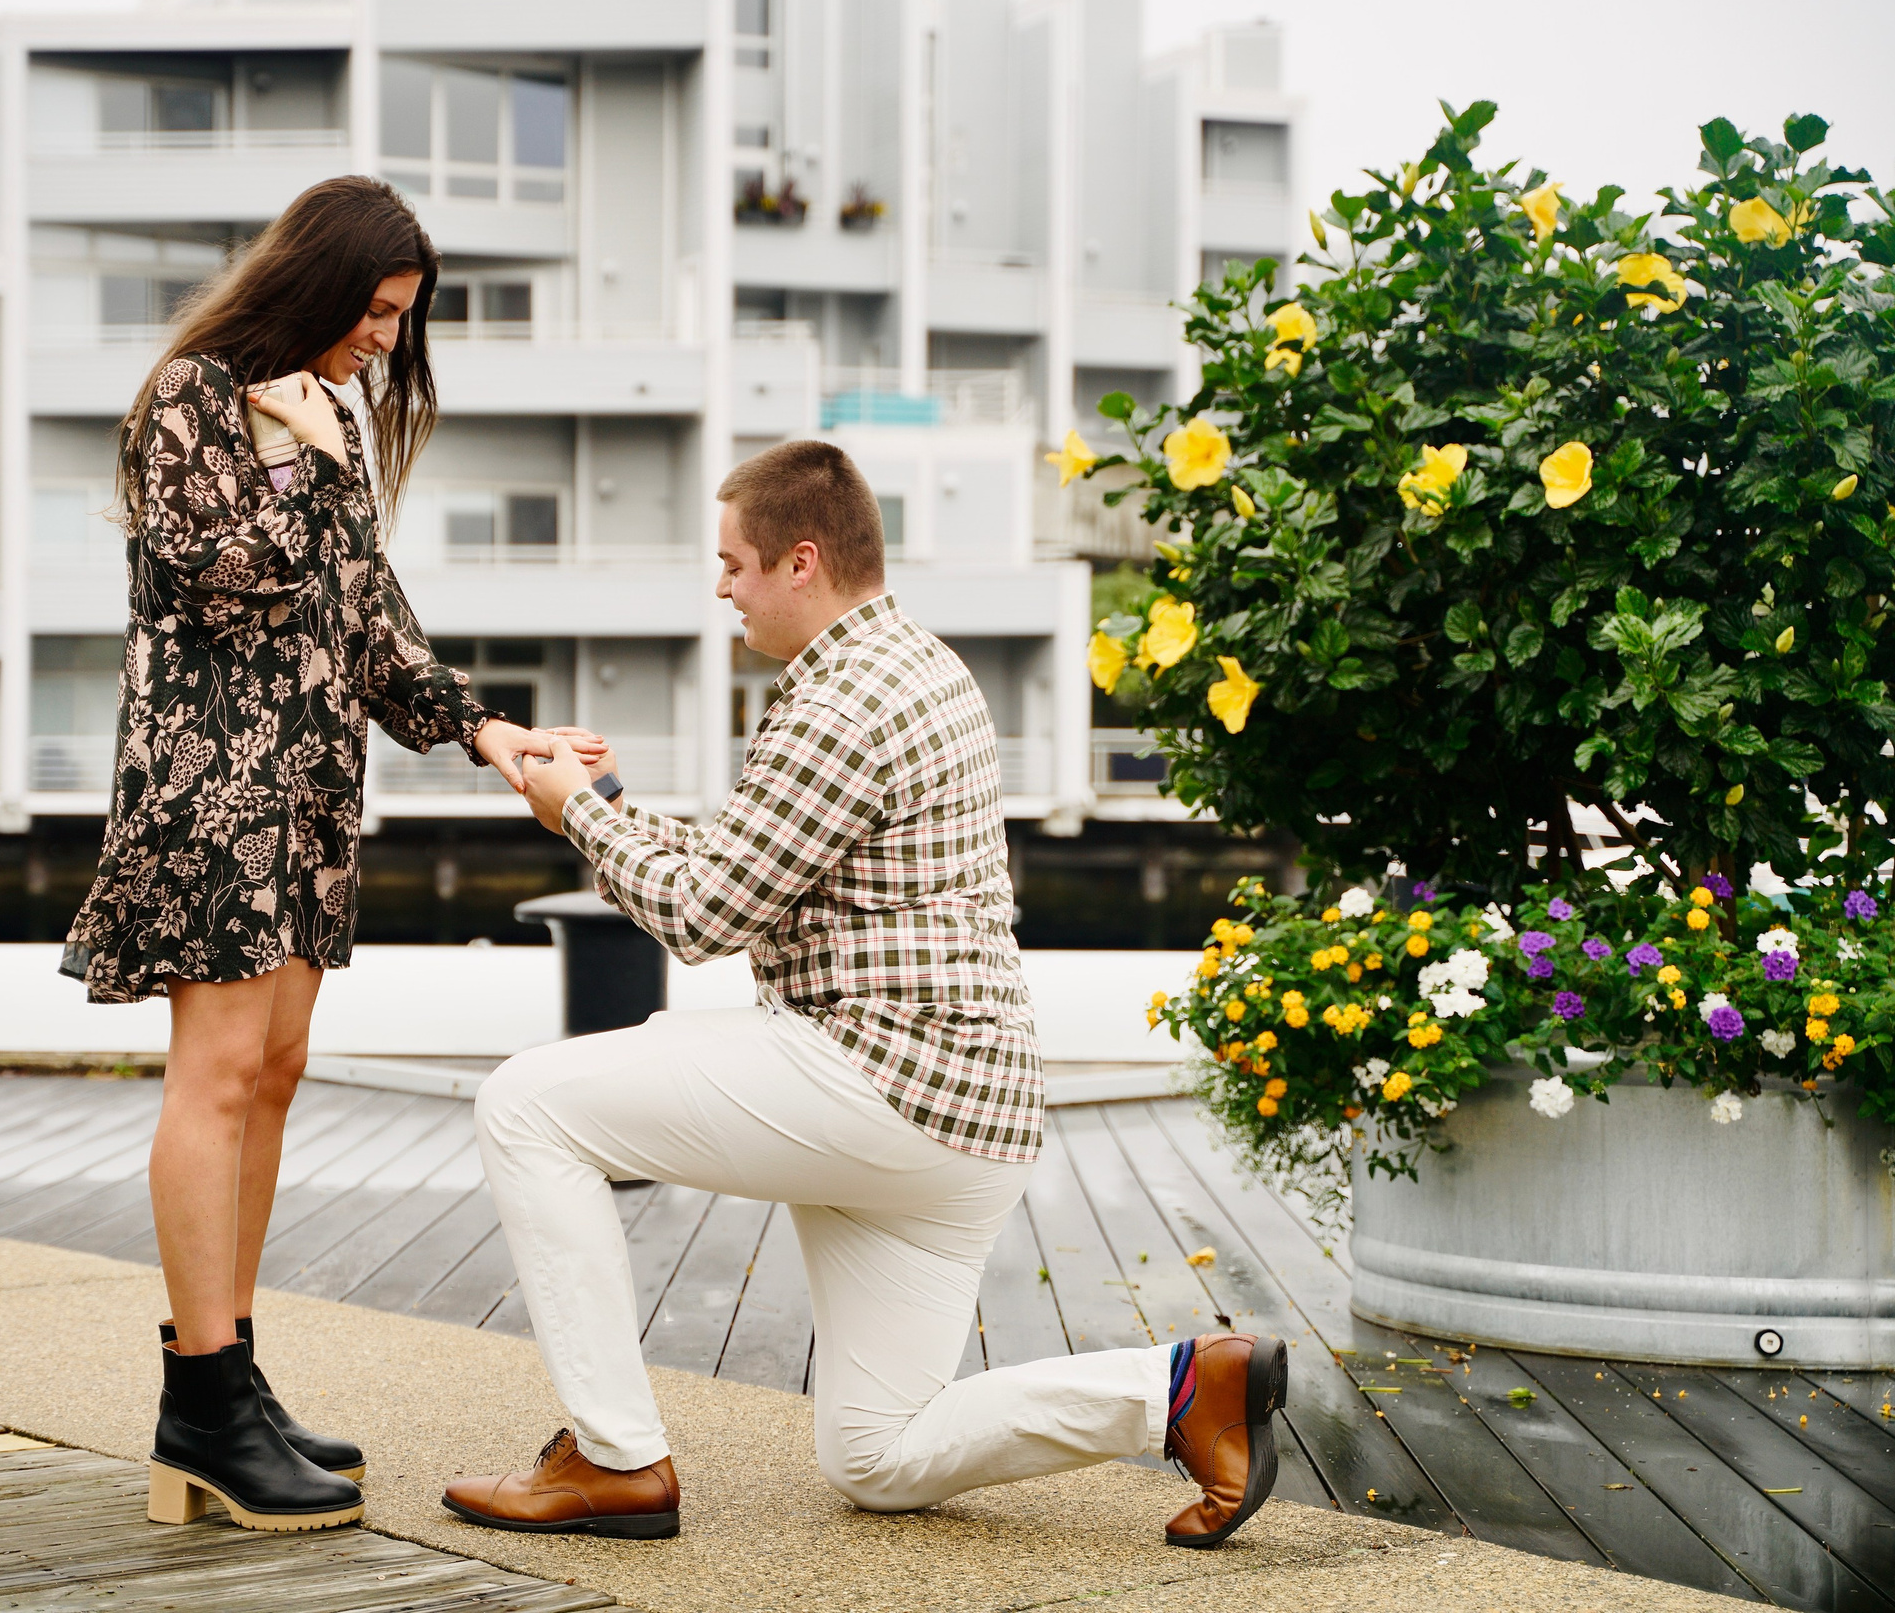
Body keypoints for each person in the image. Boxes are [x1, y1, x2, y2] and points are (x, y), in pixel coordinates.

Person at [442, 440, 1288, 1546]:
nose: (720, 586)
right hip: (969, 1119)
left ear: (801, 562)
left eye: (733, 563)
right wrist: (601, 800)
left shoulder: (836, 702)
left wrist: (577, 816)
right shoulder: (918, 667)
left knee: (526, 1102)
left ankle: (612, 1459)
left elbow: (702, 920)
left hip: (872, 1077)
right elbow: (747, 864)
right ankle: (1178, 1389)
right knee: (879, 1457)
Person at [59, 177, 563, 1534]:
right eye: (379, 316)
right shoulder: (193, 397)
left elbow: (366, 619)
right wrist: (307, 462)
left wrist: (487, 733)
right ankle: (200, 1400)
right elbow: (225, 570)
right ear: (324, 283)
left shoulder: (323, 412)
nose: (383, 346)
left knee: (273, 1077)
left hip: (309, 798)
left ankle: (234, 1370)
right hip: (208, 794)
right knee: (217, 1076)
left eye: (401, 325)